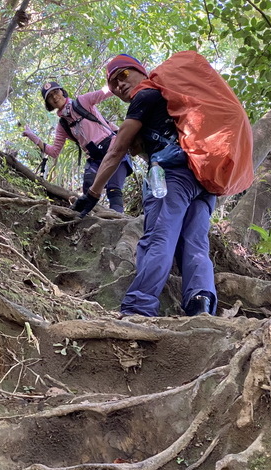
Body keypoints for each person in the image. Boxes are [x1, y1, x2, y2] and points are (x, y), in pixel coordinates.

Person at [73, 54, 217, 318]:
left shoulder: (146, 96)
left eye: (124, 75)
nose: (119, 85)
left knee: (159, 236)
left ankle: (139, 308)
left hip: (175, 177)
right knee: (195, 242)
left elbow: (116, 151)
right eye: (113, 84)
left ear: (140, 71)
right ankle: (200, 306)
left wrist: (92, 194)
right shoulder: (170, 102)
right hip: (205, 179)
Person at [23, 81, 132, 213]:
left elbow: (106, 91)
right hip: (95, 158)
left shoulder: (82, 101)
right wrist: (32, 136)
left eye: (56, 92)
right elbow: (54, 152)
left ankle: (118, 222)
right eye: (50, 97)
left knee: (114, 190)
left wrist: (127, 81)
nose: (55, 97)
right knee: (89, 187)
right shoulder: (63, 125)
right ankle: (89, 219)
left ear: (62, 92)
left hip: (114, 148)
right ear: (49, 104)